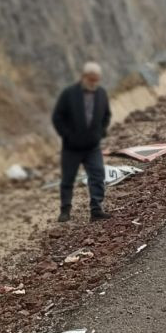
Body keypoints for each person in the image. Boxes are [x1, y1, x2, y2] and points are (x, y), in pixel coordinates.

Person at [52, 62, 111, 222]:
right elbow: (58, 117)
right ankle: (65, 210)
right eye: (91, 79)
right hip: (71, 147)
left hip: (92, 146)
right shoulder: (69, 94)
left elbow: (106, 115)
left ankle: (96, 209)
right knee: (68, 179)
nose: (94, 83)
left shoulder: (101, 94)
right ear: (83, 77)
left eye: (97, 80)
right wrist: (67, 135)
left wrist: (101, 132)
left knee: (98, 175)